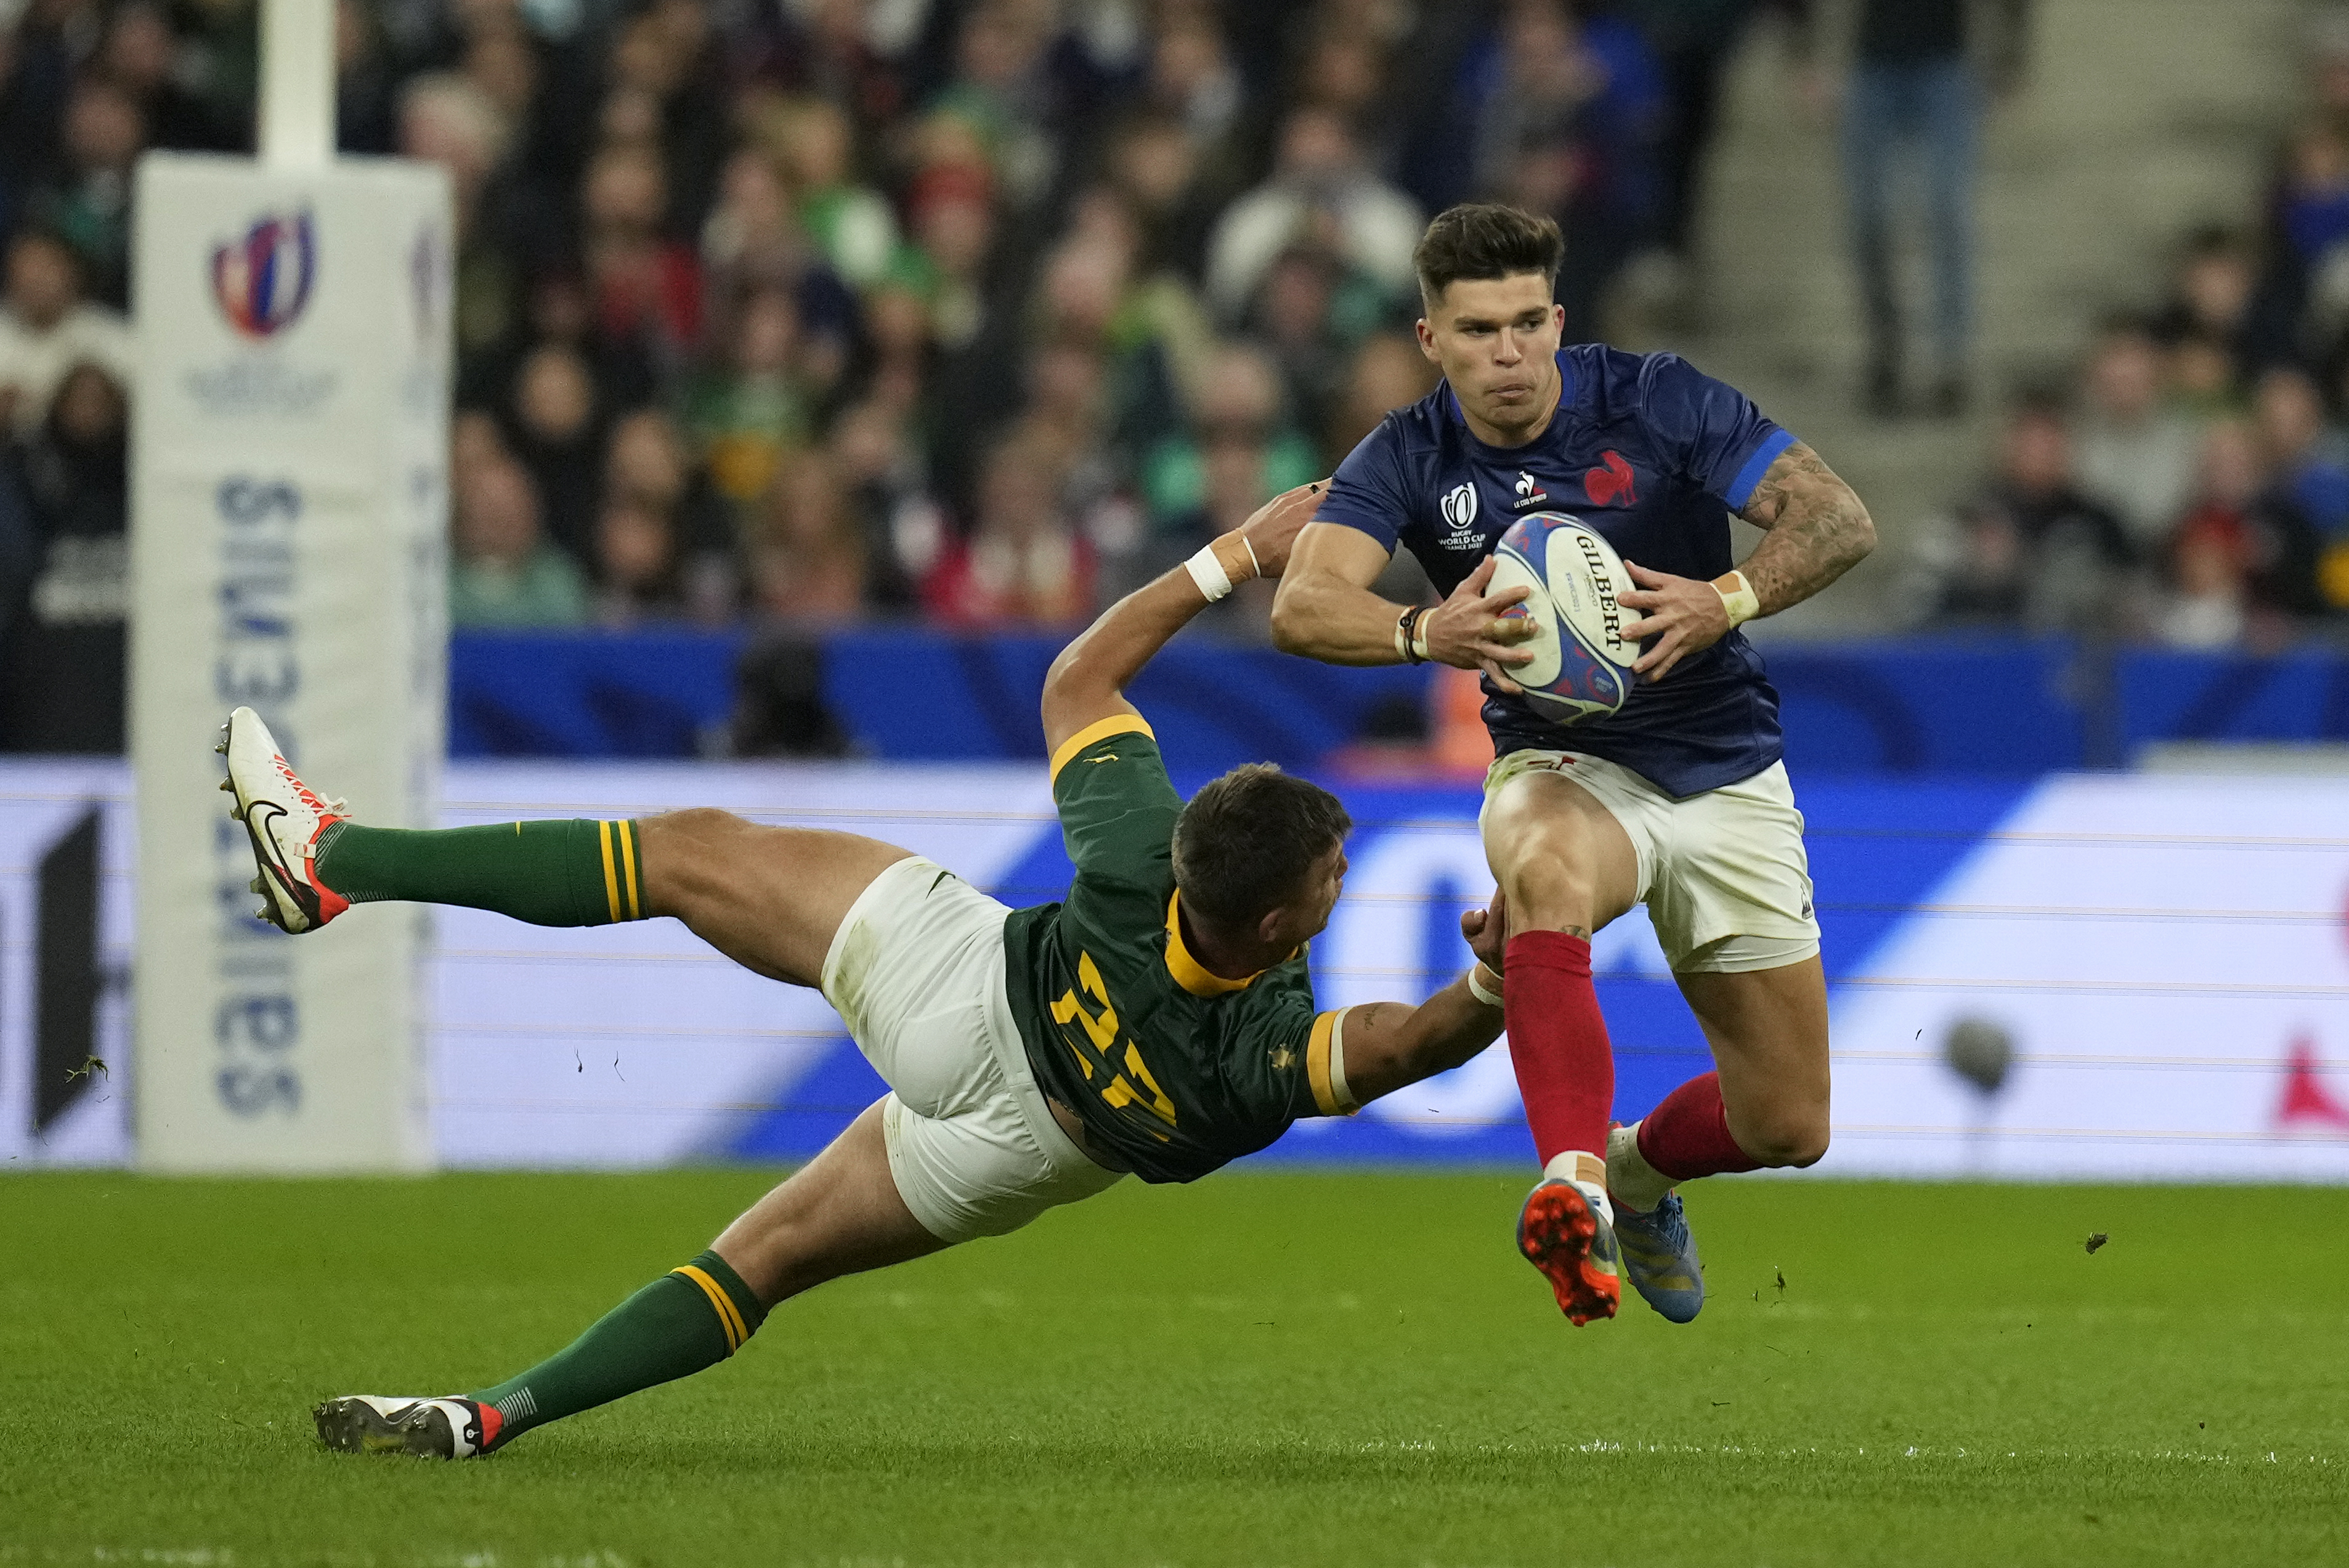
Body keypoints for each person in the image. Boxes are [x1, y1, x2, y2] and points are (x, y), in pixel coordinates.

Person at [222, 482, 1513, 1460]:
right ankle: (490, 1413)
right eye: (1331, 877)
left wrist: (1232, 554)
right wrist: (1498, 981)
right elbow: (1404, 1044)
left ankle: (338, 859)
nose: (1341, 880)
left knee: (684, 856)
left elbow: (1078, 677)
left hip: (959, 986)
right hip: (1019, 1155)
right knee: (762, 1259)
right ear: (1278, 929)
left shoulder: (1138, 857)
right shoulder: (1252, 1058)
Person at [1270, 203, 1875, 1328]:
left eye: (1525, 324)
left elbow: (1837, 519)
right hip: (1563, 764)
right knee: (1543, 871)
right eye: (1476, 331)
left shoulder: (1658, 400)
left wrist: (1726, 596)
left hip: (1724, 763)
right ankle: (1573, 1188)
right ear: (1430, 340)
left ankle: (1632, 1174)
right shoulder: (1407, 453)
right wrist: (1422, 630)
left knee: (1788, 1123)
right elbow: (1302, 603)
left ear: (1558, 319)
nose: (1507, 353)